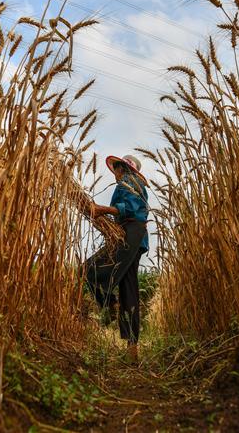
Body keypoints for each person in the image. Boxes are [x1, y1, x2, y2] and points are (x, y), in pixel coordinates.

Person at [85, 154, 150, 362]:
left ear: (123, 168)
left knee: (89, 269)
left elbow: (130, 210)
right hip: (133, 236)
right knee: (129, 287)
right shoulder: (132, 182)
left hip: (131, 233)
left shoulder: (130, 181)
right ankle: (132, 349)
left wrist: (101, 209)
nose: (115, 173)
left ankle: (110, 303)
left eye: (117, 168)